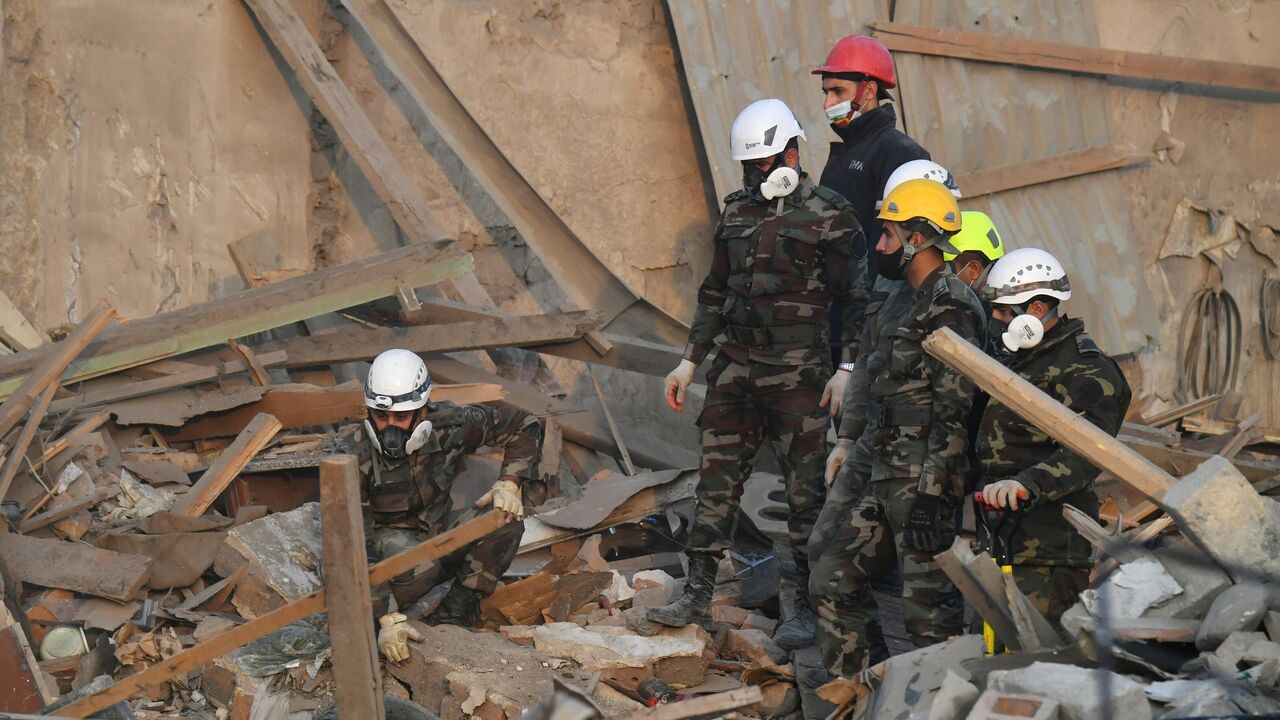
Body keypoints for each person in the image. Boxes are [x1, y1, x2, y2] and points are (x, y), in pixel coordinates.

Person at [648, 98, 869, 652]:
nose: (756, 175)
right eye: (749, 166)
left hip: (799, 373)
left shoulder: (830, 214)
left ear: (792, 152)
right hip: (736, 367)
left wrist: (847, 367)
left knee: (804, 497)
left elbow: (857, 299)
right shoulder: (736, 212)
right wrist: (689, 359)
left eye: (765, 163)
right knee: (715, 482)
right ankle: (696, 596)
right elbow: (715, 292)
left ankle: (806, 610)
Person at [809, 178, 984, 676]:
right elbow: (871, 373)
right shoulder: (900, 301)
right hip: (885, 471)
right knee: (830, 580)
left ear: (918, 237)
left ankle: (946, 705)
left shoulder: (950, 304)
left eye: (888, 235)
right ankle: (868, 693)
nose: (880, 246)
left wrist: (934, 491)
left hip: (923, 478)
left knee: (929, 618)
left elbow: (956, 409)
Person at [350, 349, 540, 663]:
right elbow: (352, 545)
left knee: (504, 520)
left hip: (438, 531)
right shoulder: (353, 455)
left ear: (424, 410)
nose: (390, 429)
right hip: (389, 552)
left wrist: (509, 482)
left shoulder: (451, 424)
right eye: (381, 417)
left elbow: (522, 422)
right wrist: (384, 613)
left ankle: (454, 616)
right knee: (418, 568)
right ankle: (383, 627)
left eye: (401, 417)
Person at [976, 248, 1131, 628]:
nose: (995, 322)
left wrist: (1026, 483)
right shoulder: (1022, 357)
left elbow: (1089, 451)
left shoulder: (1085, 370)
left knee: (1041, 654)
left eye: (1002, 313)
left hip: (1050, 550)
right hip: (1004, 536)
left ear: (1039, 308)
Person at [813, 35, 932, 367]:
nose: (827, 103)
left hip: (870, 330)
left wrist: (856, 350)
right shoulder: (844, 153)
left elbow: (897, 252)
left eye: (838, 92)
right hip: (833, 320)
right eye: (826, 92)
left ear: (868, 90)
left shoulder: (901, 154)